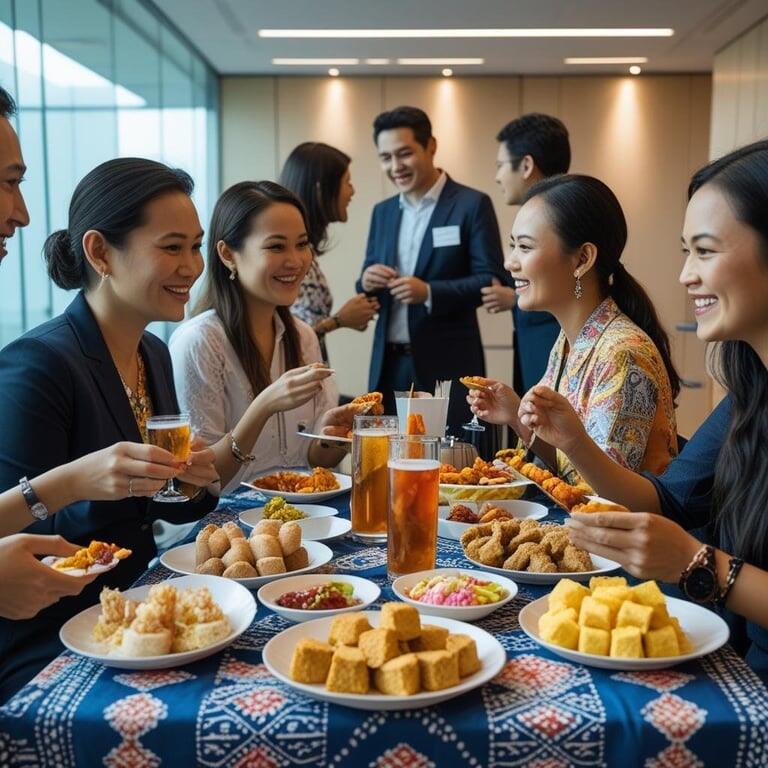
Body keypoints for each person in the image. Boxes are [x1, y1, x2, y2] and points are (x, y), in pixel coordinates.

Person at [518, 140, 768, 677]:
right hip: (735, 658)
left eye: (704, 251)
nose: (685, 276)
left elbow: (683, 544)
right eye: (687, 252)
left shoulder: (622, 348)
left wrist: (701, 565)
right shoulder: (750, 393)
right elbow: (667, 503)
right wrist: (573, 441)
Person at [0, 156, 218, 701]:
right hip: (51, 634)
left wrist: (190, 480)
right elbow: (15, 537)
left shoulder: (154, 353)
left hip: (137, 610)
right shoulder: (39, 364)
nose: (192, 267)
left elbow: (155, 509)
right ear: (100, 252)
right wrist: (89, 480)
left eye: (195, 246)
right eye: (172, 247)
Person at [469, 174, 680, 481]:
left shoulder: (623, 353)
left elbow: (606, 493)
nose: (509, 262)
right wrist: (516, 416)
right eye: (513, 246)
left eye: (524, 247)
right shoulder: (569, 341)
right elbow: (567, 465)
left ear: (582, 259)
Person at [170, 181, 354, 494]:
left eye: (302, 244)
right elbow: (201, 479)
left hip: (301, 515)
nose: (296, 261)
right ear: (228, 254)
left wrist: (334, 437)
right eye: (276, 246)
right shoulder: (201, 342)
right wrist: (264, 405)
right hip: (221, 523)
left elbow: (310, 461)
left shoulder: (303, 336)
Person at [357, 106, 505, 436]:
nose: (395, 167)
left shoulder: (471, 204)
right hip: (389, 363)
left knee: (449, 463)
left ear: (431, 146)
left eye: (404, 154)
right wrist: (366, 280)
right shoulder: (382, 212)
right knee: (387, 458)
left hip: (447, 363)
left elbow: (489, 279)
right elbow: (367, 276)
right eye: (385, 158)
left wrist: (430, 292)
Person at [483, 114, 568, 395]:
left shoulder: (561, 214)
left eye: (500, 166)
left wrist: (515, 296)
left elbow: (573, 285)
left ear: (527, 165)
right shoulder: (544, 210)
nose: (497, 177)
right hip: (533, 344)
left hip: (553, 344)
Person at [279, 142, 379, 362]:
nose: (352, 191)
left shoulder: (307, 252)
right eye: (347, 182)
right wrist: (340, 320)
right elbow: (281, 342)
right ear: (320, 188)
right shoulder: (293, 259)